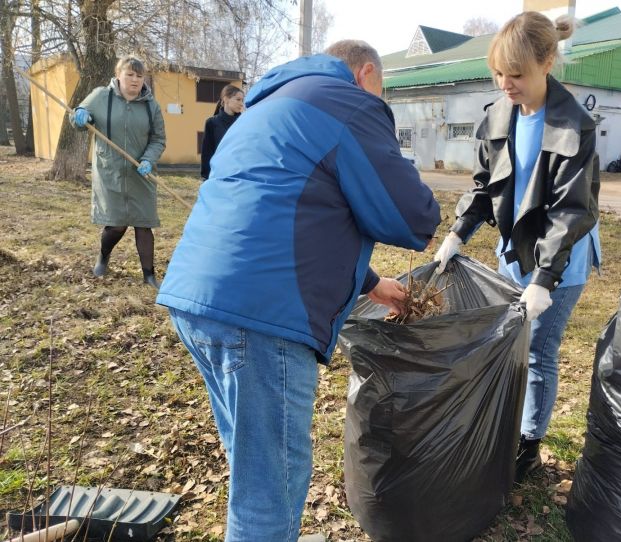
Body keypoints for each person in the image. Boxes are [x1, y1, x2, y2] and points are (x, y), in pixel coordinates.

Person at [156, 40, 440, 541]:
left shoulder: (270, 105)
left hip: (198, 299)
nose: (381, 100)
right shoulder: (349, 101)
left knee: (255, 470)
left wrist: (372, 284)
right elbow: (410, 216)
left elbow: (291, 205)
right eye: (382, 89)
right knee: (271, 488)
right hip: (262, 317)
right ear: (366, 73)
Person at [434, 12, 601, 483]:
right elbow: (486, 184)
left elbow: (571, 211)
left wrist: (545, 280)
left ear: (547, 62)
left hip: (560, 263)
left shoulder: (575, 126)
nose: (506, 84)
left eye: (517, 74)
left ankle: (529, 443)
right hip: (513, 256)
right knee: (510, 347)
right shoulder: (499, 116)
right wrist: (457, 232)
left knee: (540, 352)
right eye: (499, 73)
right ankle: (505, 426)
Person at [70, 55, 166, 288]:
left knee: (143, 223)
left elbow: (158, 139)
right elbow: (78, 117)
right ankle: (103, 257)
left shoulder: (151, 105)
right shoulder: (102, 96)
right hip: (109, 170)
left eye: (139, 76)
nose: (135, 80)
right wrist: (80, 116)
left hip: (140, 172)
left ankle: (149, 275)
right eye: (130, 74)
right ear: (118, 75)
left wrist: (148, 159)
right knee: (116, 224)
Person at [200, 84, 244, 180]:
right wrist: (206, 177)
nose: (241, 104)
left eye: (242, 100)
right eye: (238, 99)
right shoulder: (211, 123)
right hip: (218, 176)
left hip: (239, 177)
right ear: (226, 99)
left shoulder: (244, 123)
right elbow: (207, 153)